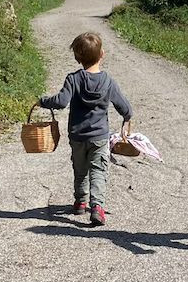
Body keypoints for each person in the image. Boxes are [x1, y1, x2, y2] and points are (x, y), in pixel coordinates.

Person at [38, 32, 132, 226]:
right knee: (98, 170)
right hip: (99, 137)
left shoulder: (73, 79)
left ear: (77, 58)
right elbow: (124, 106)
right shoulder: (108, 81)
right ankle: (97, 207)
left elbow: (61, 101)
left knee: (80, 169)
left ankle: (81, 202)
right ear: (102, 54)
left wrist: (43, 101)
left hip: (77, 136)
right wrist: (127, 117)